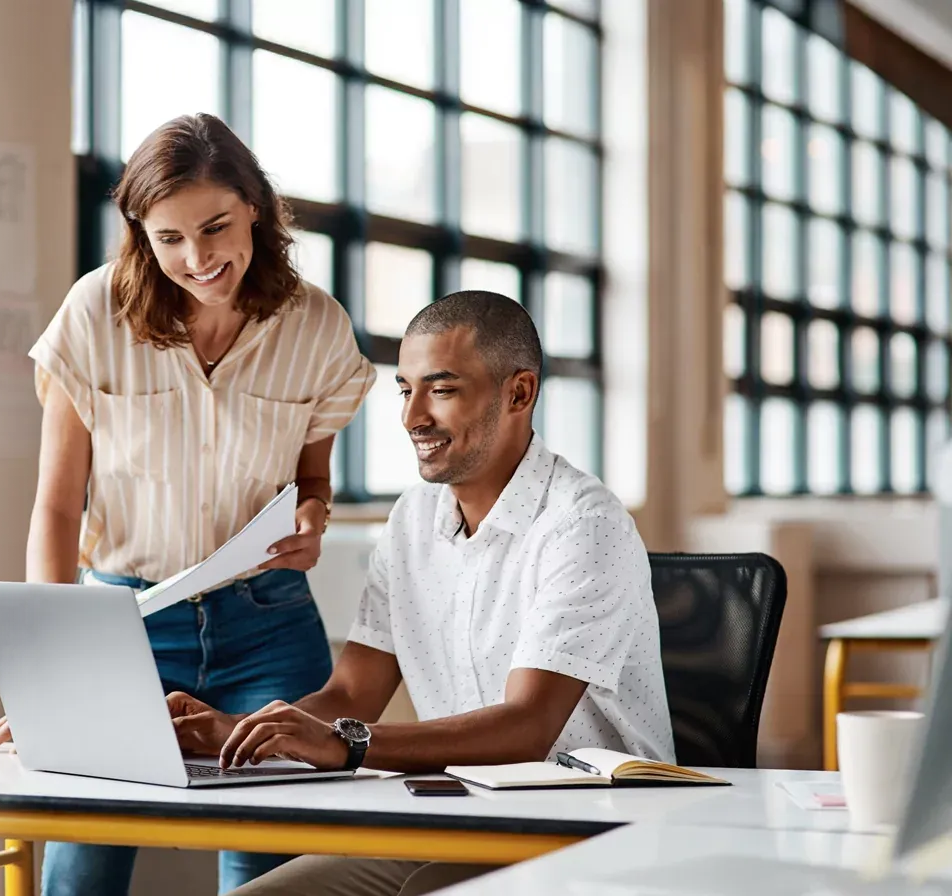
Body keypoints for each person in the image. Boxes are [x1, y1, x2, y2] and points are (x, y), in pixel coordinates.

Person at [0, 113, 376, 896]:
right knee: (83, 866)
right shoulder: (96, 315)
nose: (199, 259)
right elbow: (56, 509)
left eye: (216, 227)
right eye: (169, 239)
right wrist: (54, 674)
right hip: (126, 625)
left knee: (270, 874)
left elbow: (313, 483)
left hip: (269, 628)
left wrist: (312, 520)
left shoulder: (317, 327)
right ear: (140, 235)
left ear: (255, 205)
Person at [170, 291, 675, 896]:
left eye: (442, 390)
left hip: (593, 833)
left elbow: (526, 728)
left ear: (519, 393)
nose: (412, 419)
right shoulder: (413, 518)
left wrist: (343, 745)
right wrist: (240, 731)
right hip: (461, 820)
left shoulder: (583, 524)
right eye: (405, 391)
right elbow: (352, 692)